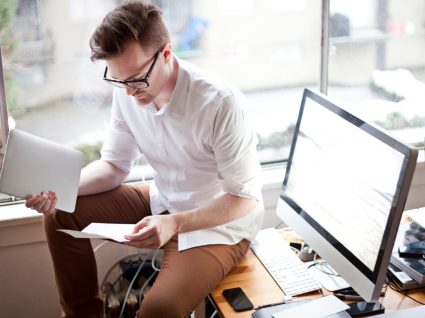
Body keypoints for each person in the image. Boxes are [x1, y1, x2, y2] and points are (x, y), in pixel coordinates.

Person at [25, 1, 264, 317]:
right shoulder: (128, 88)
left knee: (158, 311)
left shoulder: (220, 103)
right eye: (117, 79)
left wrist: (174, 222)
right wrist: (58, 188)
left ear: (166, 53)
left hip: (219, 225)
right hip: (162, 200)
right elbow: (113, 167)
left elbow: (243, 198)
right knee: (60, 212)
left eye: (136, 79)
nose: (127, 92)